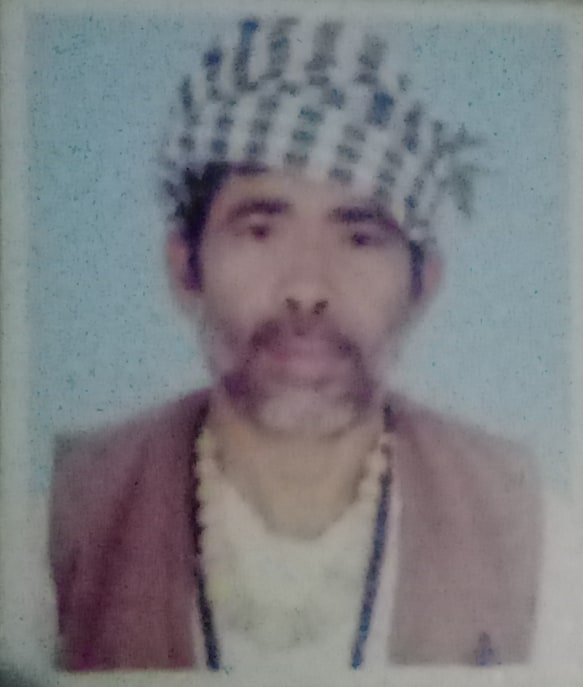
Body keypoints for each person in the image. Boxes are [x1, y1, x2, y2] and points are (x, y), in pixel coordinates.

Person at [49, 15, 542, 672]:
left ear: (422, 285)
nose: (307, 287)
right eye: (259, 229)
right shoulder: (51, 531)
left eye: (359, 236)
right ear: (184, 268)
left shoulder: (540, 543)